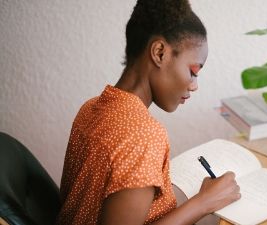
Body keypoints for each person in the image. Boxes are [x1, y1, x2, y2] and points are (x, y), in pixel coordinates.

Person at [56, 0, 241, 225]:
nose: (194, 85)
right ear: (159, 52)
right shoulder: (144, 135)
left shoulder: (91, 107)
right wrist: (203, 202)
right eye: (193, 71)